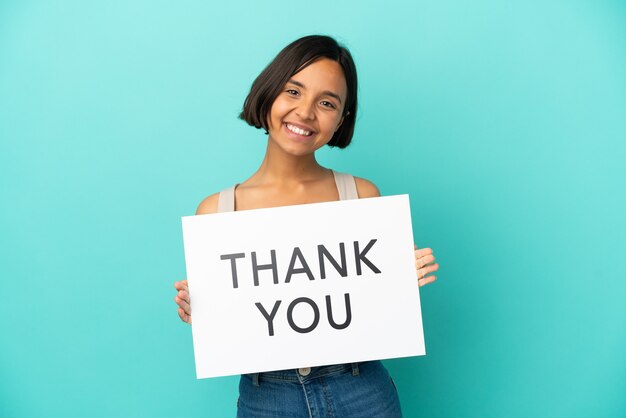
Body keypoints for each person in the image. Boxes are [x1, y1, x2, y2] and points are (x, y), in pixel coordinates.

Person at [173, 35, 439, 418]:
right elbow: (234, 322)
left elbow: (374, 303)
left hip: (361, 389)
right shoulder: (217, 211)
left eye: (327, 102)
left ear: (342, 119)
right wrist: (200, 308)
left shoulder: (361, 196)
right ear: (268, 94)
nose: (305, 112)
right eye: (293, 91)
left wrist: (401, 277)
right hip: (267, 398)